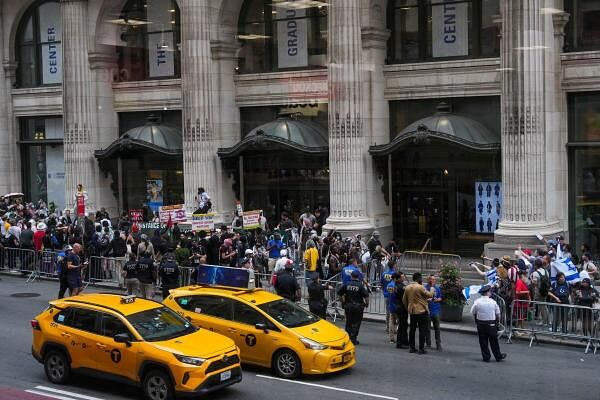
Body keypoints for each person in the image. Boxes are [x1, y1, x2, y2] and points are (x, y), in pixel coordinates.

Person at [471, 285, 507, 362]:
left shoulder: (477, 301)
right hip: (491, 324)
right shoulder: (493, 302)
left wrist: (476, 320)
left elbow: (473, 312)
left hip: (481, 323)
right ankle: (498, 356)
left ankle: (486, 357)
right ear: (487, 293)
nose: (491, 293)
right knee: (494, 341)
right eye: (490, 291)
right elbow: (498, 314)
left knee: (483, 341)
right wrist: (497, 322)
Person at [403, 272, 434, 354]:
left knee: (412, 330)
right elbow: (430, 295)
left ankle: (412, 348)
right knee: (422, 330)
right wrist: (432, 289)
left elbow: (404, 300)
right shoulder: (420, 287)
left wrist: (408, 308)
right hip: (421, 311)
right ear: (419, 278)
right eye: (421, 278)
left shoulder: (407, 287)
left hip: (412, 311)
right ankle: (421, 349)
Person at [338, 270, 369, 345]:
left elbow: (339, 294)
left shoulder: (346, 284)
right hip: (358, 307)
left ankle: (348, 338)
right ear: (358, 277)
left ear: (351, 276)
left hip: (348, 306)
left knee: (348, 322)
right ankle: (353, 339)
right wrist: (367, 304)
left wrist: (342, 301)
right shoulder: (360, 285)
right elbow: (366, 296)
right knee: (356, 323)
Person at [424, 274, 443, 351]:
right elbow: (423, 298)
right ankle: (428, 344)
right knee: (427, 328)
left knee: (437, 328)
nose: (433, 281)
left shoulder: (437, 288)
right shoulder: (425, 288)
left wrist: (437, 299)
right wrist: (427, 300)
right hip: (428, 311)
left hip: (436, 310)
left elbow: (440, 297)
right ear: (428, 280)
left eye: (434, 279)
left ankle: (438, 344)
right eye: (432, 279)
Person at [394, 272, 409, 349]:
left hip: (398, 306)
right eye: (402, 277)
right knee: (402, 325)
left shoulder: (396, 284)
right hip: (401, 307)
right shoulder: (400, 286)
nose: (403, 278)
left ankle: (405, 341)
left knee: (404, 325)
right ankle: (400, 343)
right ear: (399, 278)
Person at [385, 272, 399, 344]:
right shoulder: (395, 286)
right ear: (396, 278)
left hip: (390, 304)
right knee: (398, 321)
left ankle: (391, 338)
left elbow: (387, 294)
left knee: (391, 322)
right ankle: (398, 336)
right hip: (396, 305)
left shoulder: (389, 285)